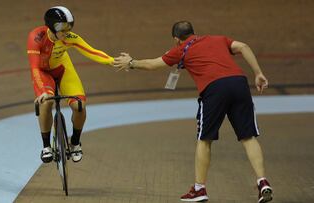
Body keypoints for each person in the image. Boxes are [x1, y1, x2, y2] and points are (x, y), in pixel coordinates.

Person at [114, 21, 273, 203]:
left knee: (204, 139)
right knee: (248, 137)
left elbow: (153, 64)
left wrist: (131, 63)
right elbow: (244, 46)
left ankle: (199, 189)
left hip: (215, 88)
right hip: (239, 83)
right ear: (193, 32)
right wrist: (258, 73)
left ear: (176, 39)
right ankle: (263, 182)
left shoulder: (180, 50)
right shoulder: (218, 39)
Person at [27, 6, 114, 163]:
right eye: (63, 27)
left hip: (63, 69)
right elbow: (34, 67)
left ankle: (75, 143)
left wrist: (113, 61)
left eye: (70, 26)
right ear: (52, 26)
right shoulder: (36, 37)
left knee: (79, 105)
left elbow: (92, 51)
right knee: (46, 103)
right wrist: (42, 92)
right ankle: (46, 146)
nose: (67, 30)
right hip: (43, 73)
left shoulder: (69, 37)